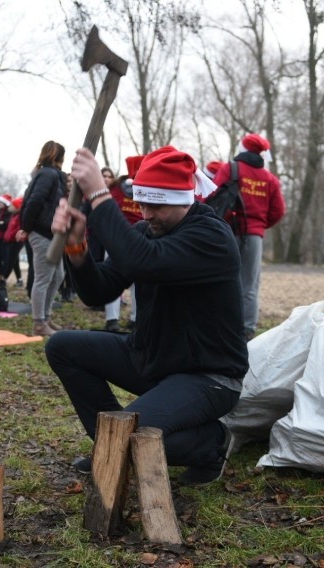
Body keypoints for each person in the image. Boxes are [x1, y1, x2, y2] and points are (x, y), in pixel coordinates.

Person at [45, 145, 248, 485]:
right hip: (154, 358)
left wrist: (98, 193)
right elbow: (99, 291)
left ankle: (211, 444)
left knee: (130, 436)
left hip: (208, 376)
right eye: (142, 203)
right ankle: (110, 442)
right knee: (63, 346)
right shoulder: (148, 231)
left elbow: (142, 259)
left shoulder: (211, 237)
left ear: (184, 199)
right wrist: (77, 248)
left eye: (157, 204)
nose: (147, 213)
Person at [211, 133, 285, 340]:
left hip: (226, 232)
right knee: (250, 284)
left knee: (222, 278)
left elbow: (213, 196)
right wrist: (258, 225)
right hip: (253, 236)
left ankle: (222, 324)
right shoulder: (270, 179)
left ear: (242, 148)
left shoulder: (230, 169)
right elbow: (277, 211)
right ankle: (247, 330)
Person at [19, 141, 68, 336]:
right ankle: (39, 323)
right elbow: (35, 200)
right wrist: (26, 227)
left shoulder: (52, 175)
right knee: (43, 278)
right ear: (60, 157)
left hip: (52, 233)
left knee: (58, 275)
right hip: (41, 232)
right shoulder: (48, 174)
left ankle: (46, 317)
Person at [103, 156, 144, 331]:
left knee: (111, 279)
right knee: (138, 281)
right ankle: (136, 319)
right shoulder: (146, 187)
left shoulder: (115, 189)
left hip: (116, 236)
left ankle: (112, 319)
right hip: (140, 238)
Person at [0, 197, 24, 287]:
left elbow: (18, 229)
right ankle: (20, 280)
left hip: (16, 241)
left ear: (17, 207)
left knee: (10, 260)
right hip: (9, 241)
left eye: (12, 205)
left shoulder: (20, 217)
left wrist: (12, 236)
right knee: (14, 261)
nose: (10, 207)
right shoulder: (13, 216)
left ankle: (3, 279)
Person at [0, 193, 13, 286]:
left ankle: (4, 278)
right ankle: (0, 277)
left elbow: (5, 225)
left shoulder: (9, 212)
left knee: (5, 259)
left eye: (1, 202)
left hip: (5, 239)